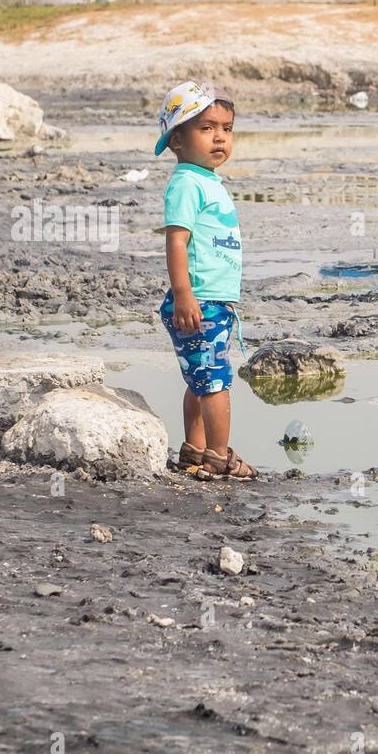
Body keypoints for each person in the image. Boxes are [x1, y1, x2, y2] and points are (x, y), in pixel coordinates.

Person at [152, 80, 257, 480]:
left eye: (227, 129)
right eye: (206, 128)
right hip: (199, 301)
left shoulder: (207, 180)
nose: (219, 138)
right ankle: (218, 456)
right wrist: (184, 295)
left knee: (201, 379)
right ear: (177, 140)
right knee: (216, 384)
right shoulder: (186, 183)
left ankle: (194, 452)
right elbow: (176, 242)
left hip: (213, 301)